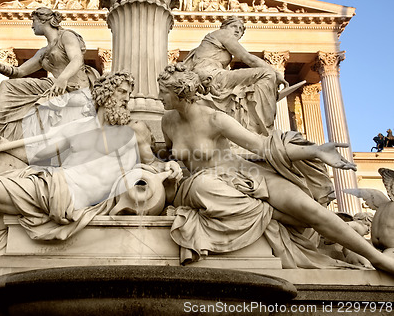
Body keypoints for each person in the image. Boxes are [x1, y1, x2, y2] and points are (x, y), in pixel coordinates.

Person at [0, 72, 182, 271]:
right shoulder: (76, 128)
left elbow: (152, 162)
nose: (126, 99)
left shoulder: (135, 131)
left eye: (128, 94)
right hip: (53, 184)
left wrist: (168, 165)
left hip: (68, 196)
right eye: (121, 92)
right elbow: (31, 154)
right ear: (105, 95)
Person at [157, 64, 394, 274]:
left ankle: (377, 259)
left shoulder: (215, 120)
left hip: (245, 174)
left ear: (180, 92)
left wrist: (314, 151)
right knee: (294, 218)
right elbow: (170, 156)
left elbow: (262, 146)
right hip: (208, 184)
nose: (159, 97)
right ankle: (272, 214)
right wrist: (169, 165)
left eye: (163, 92)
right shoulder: (168, 122)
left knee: (310, 210)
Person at [0, 7, 100, 191]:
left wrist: (62, 78)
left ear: (44, 20)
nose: (32, 25)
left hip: (75, 88)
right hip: (54, 87)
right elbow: (20, 72)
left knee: (35, 96)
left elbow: (77, 59)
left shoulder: (67, 36)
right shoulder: (45, 51)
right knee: (7, 85)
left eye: (34, 21)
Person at [183, 16, 289, 136]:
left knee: (249, 84)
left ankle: (250, 126)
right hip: (211, 76)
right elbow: (248, 58)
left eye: (241, 29)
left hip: (212, 75)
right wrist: (276, 73)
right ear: (224, 27)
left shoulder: (215, 44)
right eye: (234, 26)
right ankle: (262, 129)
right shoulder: (223, 34)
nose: (238, 30)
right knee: (266, 74)